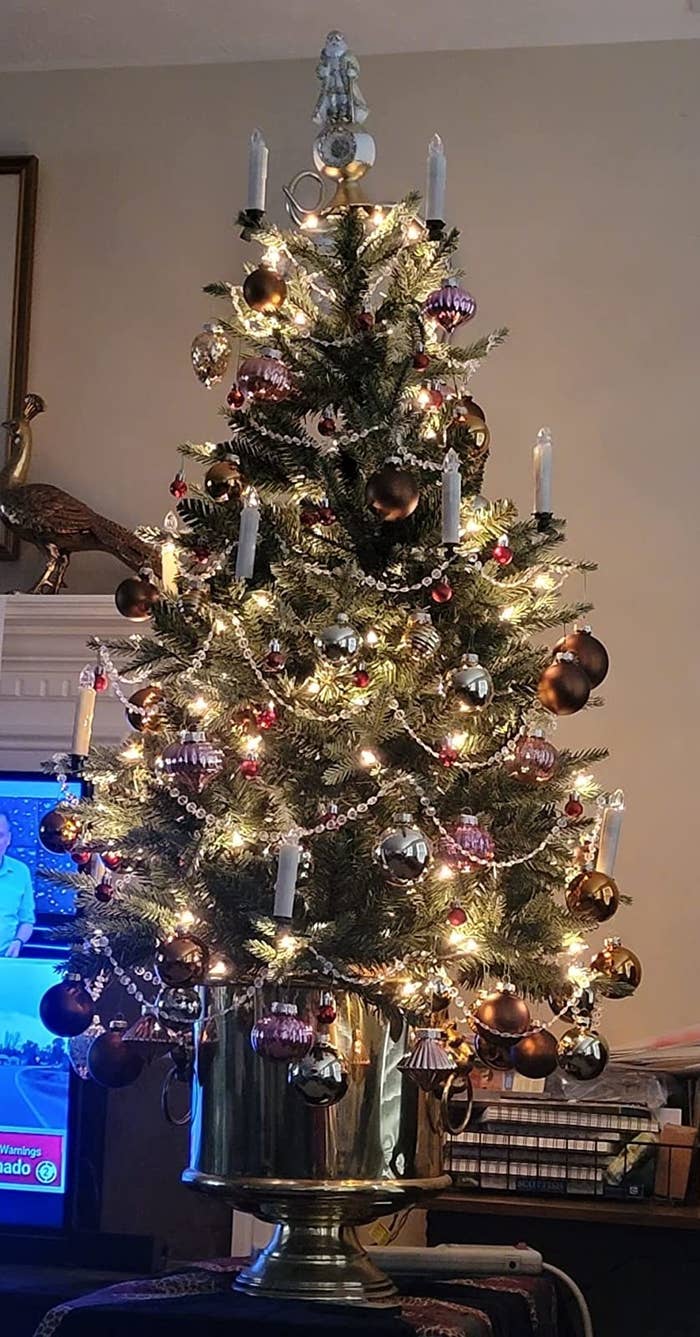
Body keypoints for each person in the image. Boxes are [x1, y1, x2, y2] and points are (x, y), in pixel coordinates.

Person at [0, 811, 35, 957]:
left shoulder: (21, 871)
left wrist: (18, 941)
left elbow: (27, 921)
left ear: (8, 839)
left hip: (6, 961)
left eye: (0, 835)